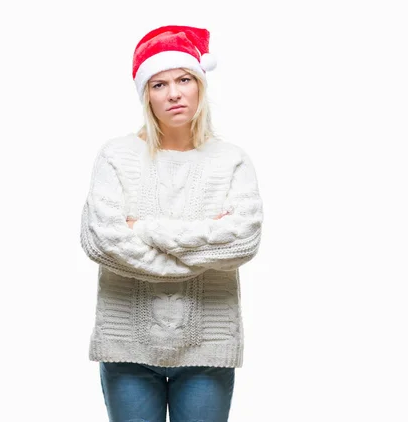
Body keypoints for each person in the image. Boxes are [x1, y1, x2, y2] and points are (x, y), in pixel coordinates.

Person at [79, 25, 264, 422]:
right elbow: (101, 241)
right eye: (159, 84)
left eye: (184, 80)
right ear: (146, 94)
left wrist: (142, 229)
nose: (174, 93)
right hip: (127, 345)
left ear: (200, 85)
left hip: (207, 347)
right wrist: (204, 243)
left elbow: (243, 242)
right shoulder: (116, 156)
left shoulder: (231, 160)